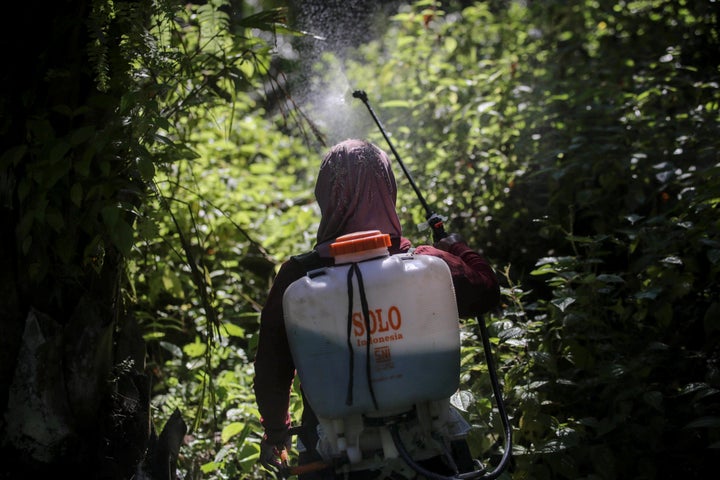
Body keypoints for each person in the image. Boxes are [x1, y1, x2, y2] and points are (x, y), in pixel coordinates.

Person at [254, 139, 501, 479]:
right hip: (431, 450)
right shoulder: (427, 263)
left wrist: (276, 433)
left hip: (335, 454)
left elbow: (272, 367)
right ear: (388, 188)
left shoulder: (298, 278)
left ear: (326, 193)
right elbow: (487, 291)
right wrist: (457, 247)